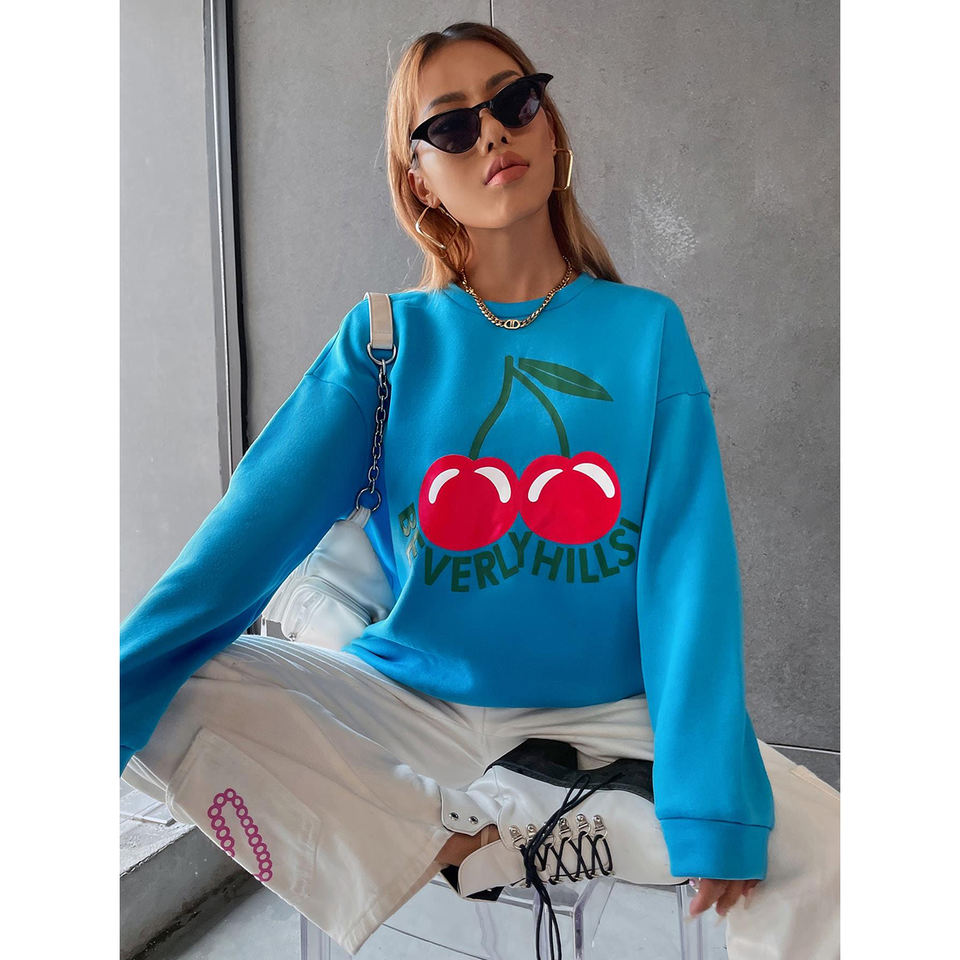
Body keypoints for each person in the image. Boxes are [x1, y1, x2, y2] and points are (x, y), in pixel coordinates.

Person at [120, 21, 839, 960]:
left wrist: (713, 806)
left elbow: (686, 574)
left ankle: (548, 808)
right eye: (452, 126)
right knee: (165, 677)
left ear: (549, 126)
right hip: (408, 703)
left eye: (514, 101)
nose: (492, 132)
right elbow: (240, 546)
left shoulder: (644, 332)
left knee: (838, 869)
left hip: (602, 709)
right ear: (419, 177)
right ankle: (451, 843)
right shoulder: (385, 342)